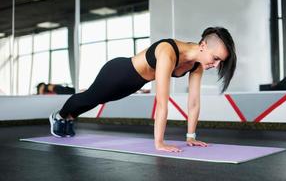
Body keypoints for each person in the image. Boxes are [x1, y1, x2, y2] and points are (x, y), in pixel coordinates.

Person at [49, 27, 237, 152]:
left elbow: (194, 102)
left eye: (220, 61)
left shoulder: (196, 65)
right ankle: (58, 116)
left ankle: (70, 117)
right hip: (119, 73)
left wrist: (191, 136)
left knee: (97, 100)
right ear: (203, 45)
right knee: (90, 97)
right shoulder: (168, 51)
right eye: (216, 58)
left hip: (135, 83)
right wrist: (159, 143)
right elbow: (162, 102)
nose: (216, 64)